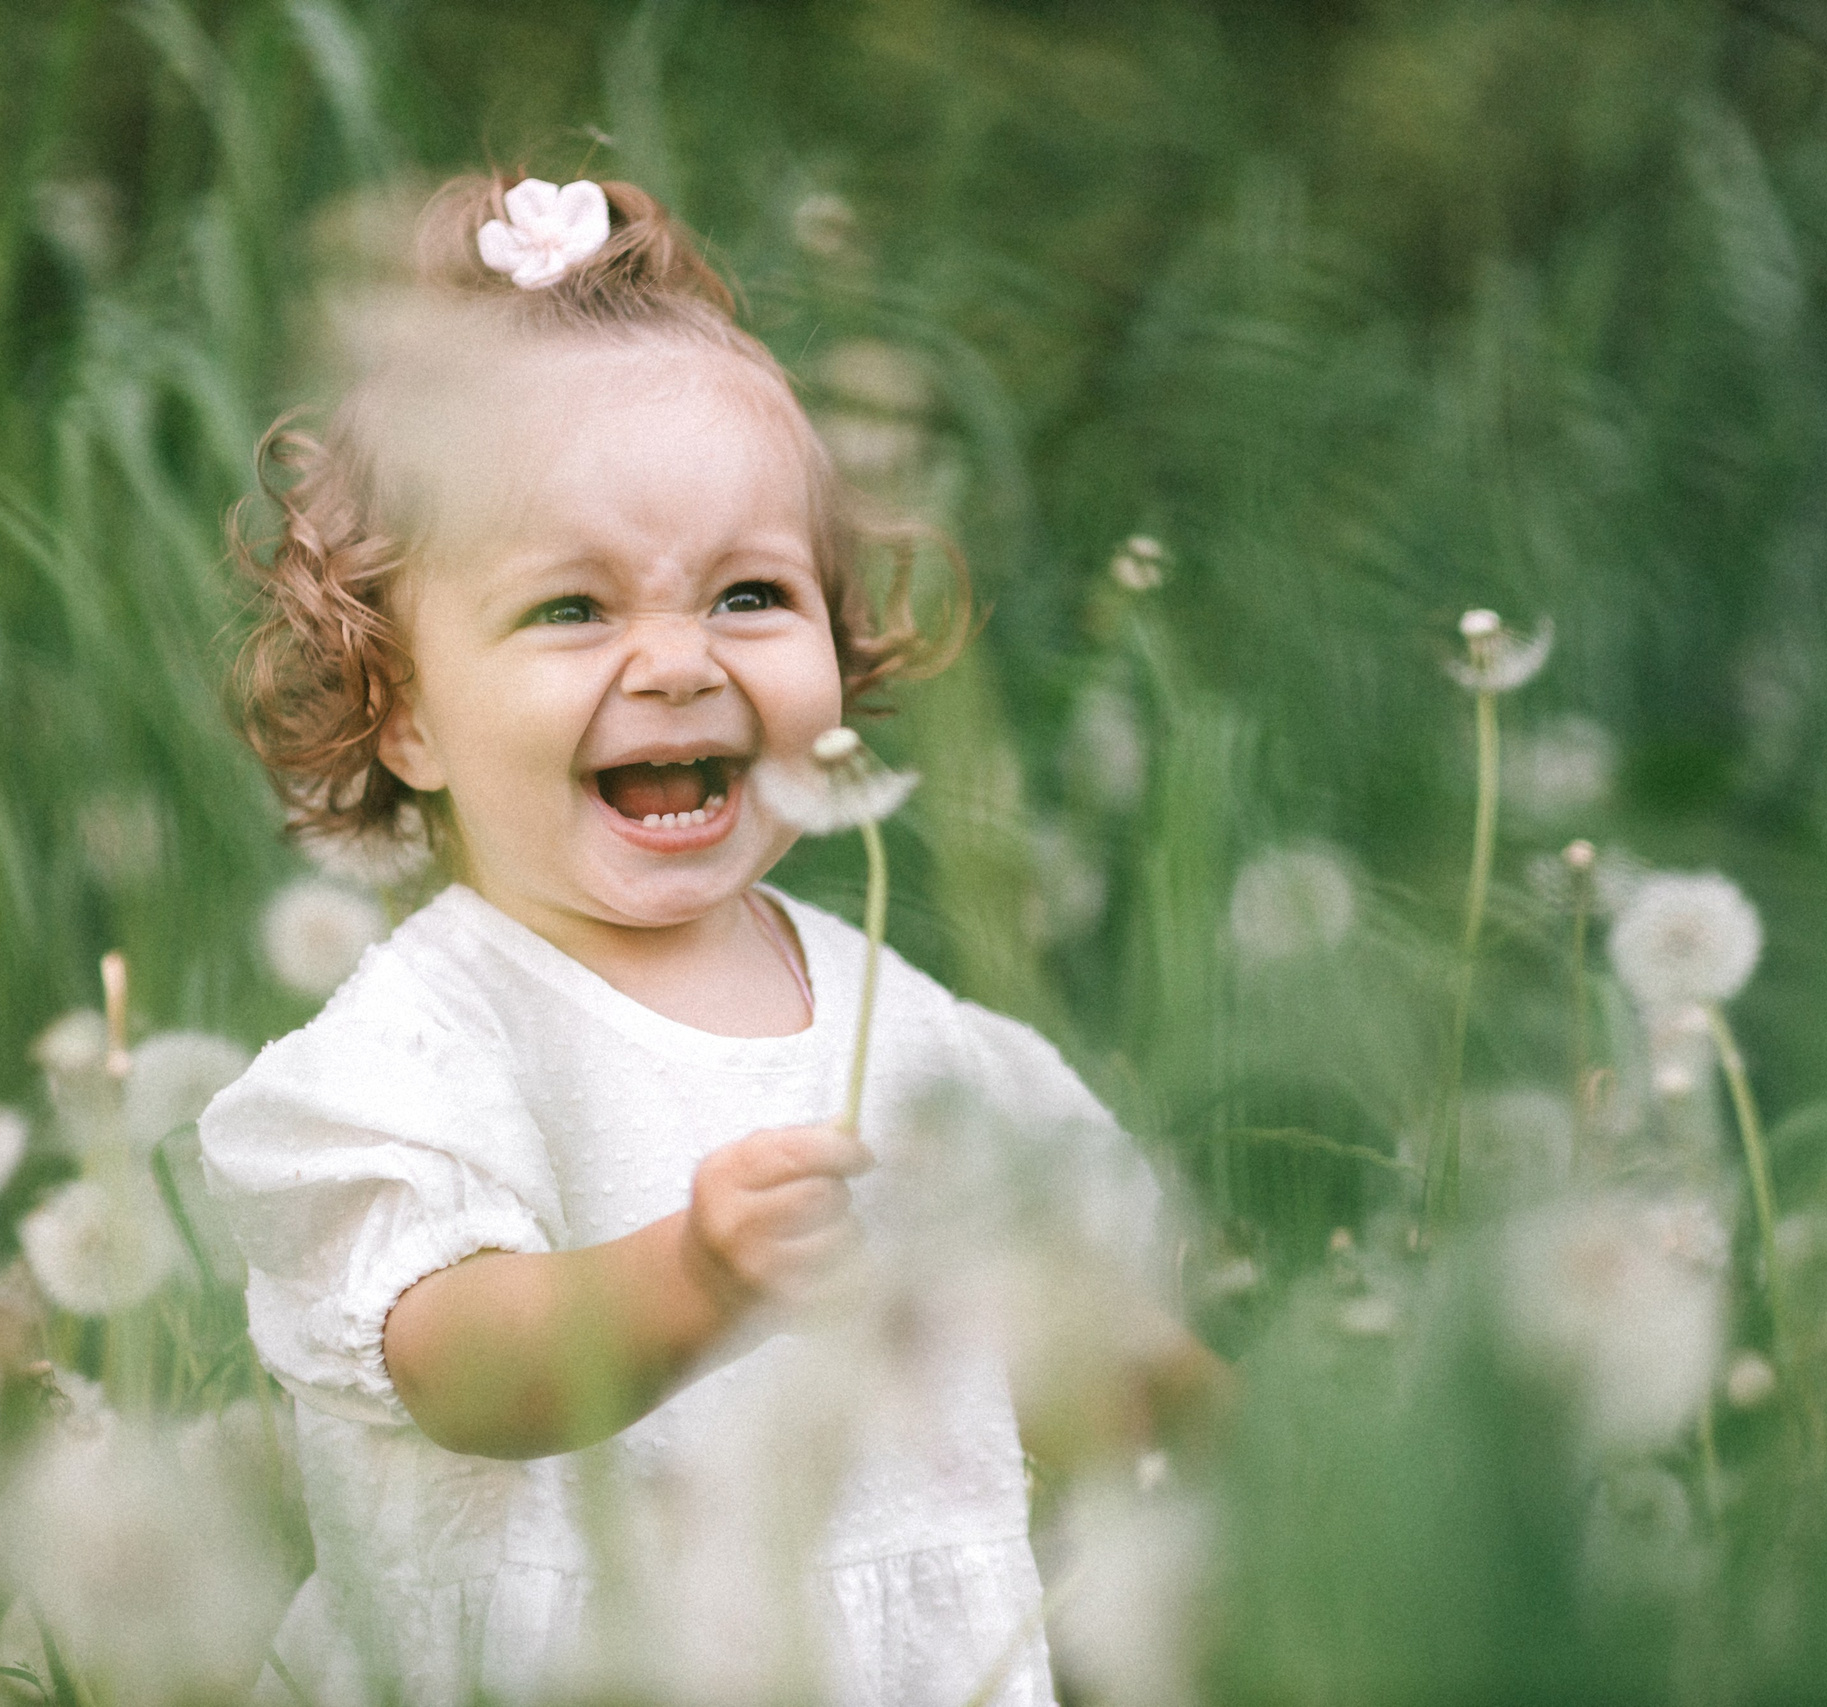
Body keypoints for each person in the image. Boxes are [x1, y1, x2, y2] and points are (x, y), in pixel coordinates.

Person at [198, 172, 1213, 1707]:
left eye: (750, 594)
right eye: (571, 611)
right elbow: (452, 1365)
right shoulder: (426, 1045)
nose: (675, 663)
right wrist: (691, 1271)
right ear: (405, 712)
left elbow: (1081, 1343)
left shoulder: (909, 1027)